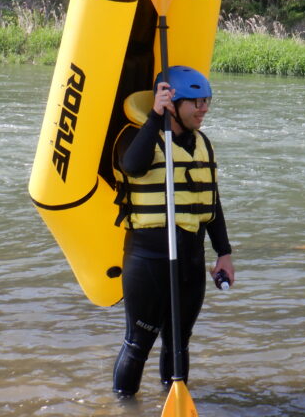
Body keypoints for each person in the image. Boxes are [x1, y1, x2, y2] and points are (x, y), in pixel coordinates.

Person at [111, 65, 234, 397]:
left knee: (179, 342)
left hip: (191, 261)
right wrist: (155, 117)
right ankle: (125, 406)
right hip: (149, 259)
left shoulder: (203, 143)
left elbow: (212, 202)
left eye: (206, 101)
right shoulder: (137, 135)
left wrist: (224, 253)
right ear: (172, 104)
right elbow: (133, 167)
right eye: (196, 102)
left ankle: (173, 401)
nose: (204, 108)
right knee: (138, 344)